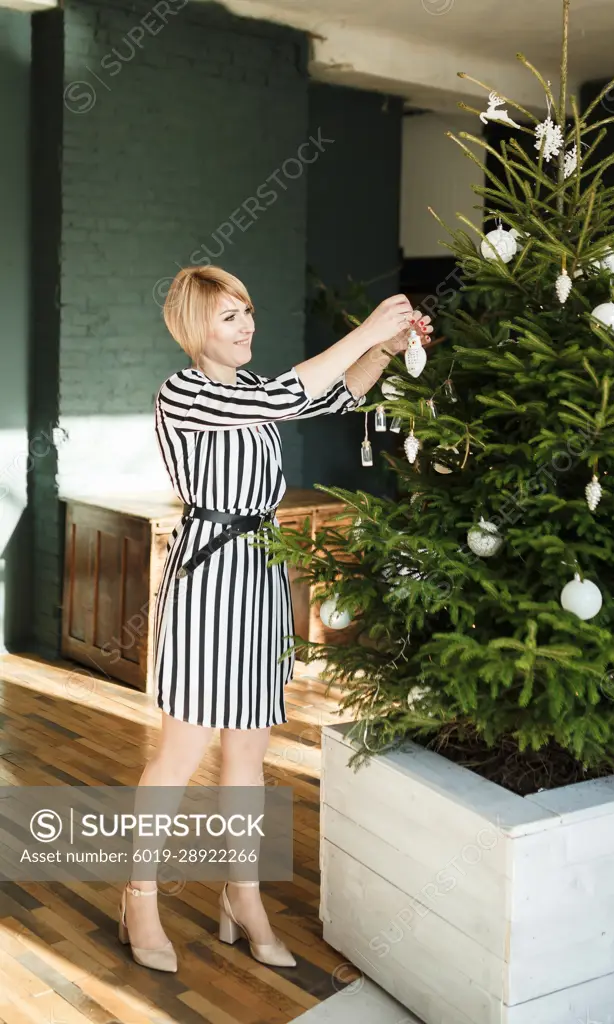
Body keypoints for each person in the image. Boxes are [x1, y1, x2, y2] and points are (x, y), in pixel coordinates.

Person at [118, 265, 433, 972]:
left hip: (260, 577)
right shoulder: (185, 391)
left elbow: (338, 393)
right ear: (196, 327)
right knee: (178, 754)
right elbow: (299, 393)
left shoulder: (254, 393)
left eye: (248, 312)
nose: (247, 325)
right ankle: (140, 897)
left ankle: (242, 896)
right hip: (207, 578)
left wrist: (391, 345)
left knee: (248, 758)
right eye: (231, 317)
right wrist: (368, 329)